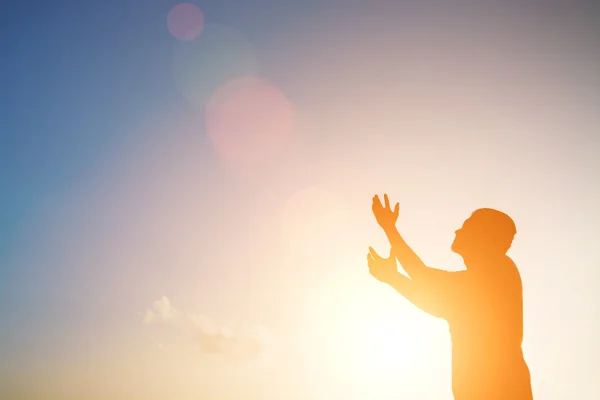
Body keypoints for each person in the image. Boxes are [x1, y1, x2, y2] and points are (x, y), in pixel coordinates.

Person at [367, 194, 533, 400]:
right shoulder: (485, 282)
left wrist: (389, 229)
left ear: (484, 236)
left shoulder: (500, 270)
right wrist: (393, 278)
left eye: (467, 226)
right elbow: (437, 302)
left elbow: (424, 277)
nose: (458, 230)